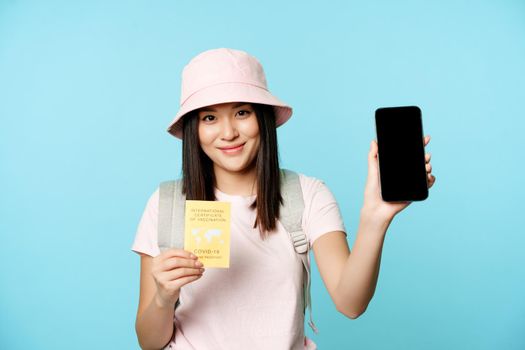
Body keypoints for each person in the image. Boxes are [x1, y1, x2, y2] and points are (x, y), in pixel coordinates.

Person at [131, 48, 436, 350]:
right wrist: (162, 297)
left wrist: (375, 217)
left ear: (262, 118)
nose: (228, 133)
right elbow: (149, 341)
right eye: (209, 117)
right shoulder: (166, 204)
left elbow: (351, 303)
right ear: (194, 129)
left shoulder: (307, 194)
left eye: (241, 113)